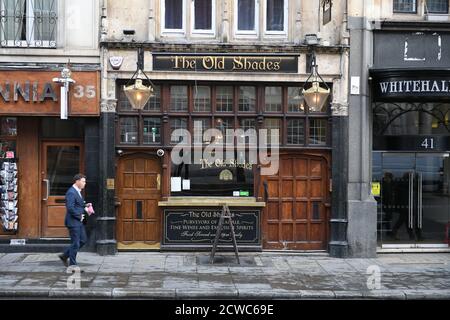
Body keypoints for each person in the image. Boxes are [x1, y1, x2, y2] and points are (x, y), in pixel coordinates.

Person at [59, 174, 88, 268]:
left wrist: (85, 206)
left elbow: (77, 204)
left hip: (79, 221)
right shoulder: (71, 192)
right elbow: (70, 208)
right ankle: (73, 265)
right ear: (77, 181)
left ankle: (64, 256)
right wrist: (79, 216)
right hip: (73, 221)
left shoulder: (78, 191)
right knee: (76, 243)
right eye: (83, 181)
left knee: (83, 240)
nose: (85, 183)